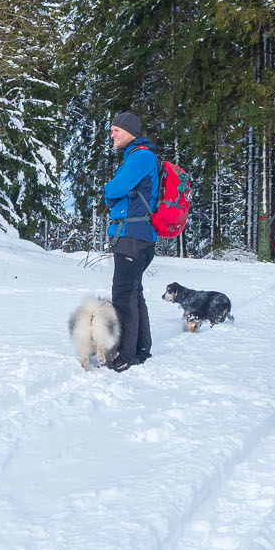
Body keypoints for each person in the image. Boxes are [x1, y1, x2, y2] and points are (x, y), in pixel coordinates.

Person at [100, 111, 159, 371]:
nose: (112, 135)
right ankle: (141, 348)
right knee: (134, 294)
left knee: (123, 296)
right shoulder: (139, 156)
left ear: (130, 132)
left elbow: (113, 190)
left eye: (116, 130)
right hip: (138, 236)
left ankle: (126, 355)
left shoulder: (141, 156)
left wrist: (110, 192)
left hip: (132, 236)